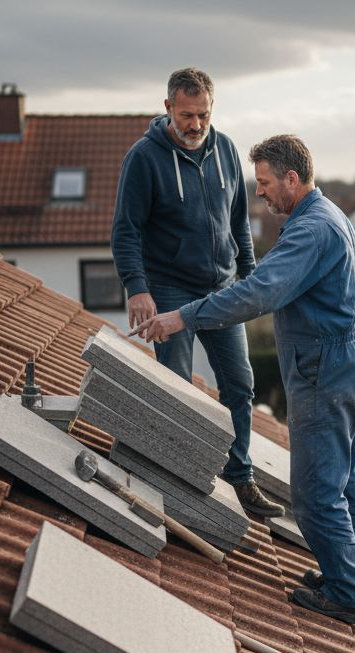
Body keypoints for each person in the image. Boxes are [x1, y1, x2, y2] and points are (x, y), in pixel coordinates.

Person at [134, 135, 355, 625]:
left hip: (324, 371)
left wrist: (184, 317)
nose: (260, 193)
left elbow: (261, 292)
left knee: (313, 493)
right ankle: (349, 577)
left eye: (265, 183)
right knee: (346, 482)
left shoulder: (310, 231)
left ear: (291, 179)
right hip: (350, 360)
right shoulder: (330, 216)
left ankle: (347, 594)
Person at [112, 67, 283, 518]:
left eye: (203, 114)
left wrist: (249, 278)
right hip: (168, 288)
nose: (196, 125)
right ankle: (180, 481)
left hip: (223, 287)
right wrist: (137, 288)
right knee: (178, 389)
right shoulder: (144, 158)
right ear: (168, 108)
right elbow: (126, 230)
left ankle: (239, 475)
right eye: (187, 115)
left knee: (240, 385)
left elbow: (238, 223)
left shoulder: (226, 150)